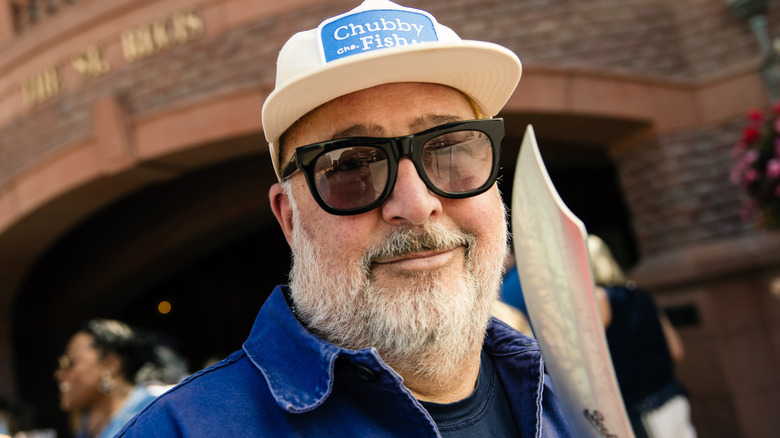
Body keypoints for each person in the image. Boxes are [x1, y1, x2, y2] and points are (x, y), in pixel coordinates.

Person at [118, 0, 572, 436]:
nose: (416, 204)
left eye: (449, 150)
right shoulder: (179, 431)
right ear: (290, 220)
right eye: (351, 166)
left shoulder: (576, 402)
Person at [587, 235, 695, 438]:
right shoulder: (639, 293)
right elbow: (676, 351)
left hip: (639, 411)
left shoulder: (597, 300)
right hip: (673, 399)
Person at [54, 319, 161, 438]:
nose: (59, 374)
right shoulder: (87, 422)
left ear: (111, 364)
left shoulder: (153, 415)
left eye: (70, 362)